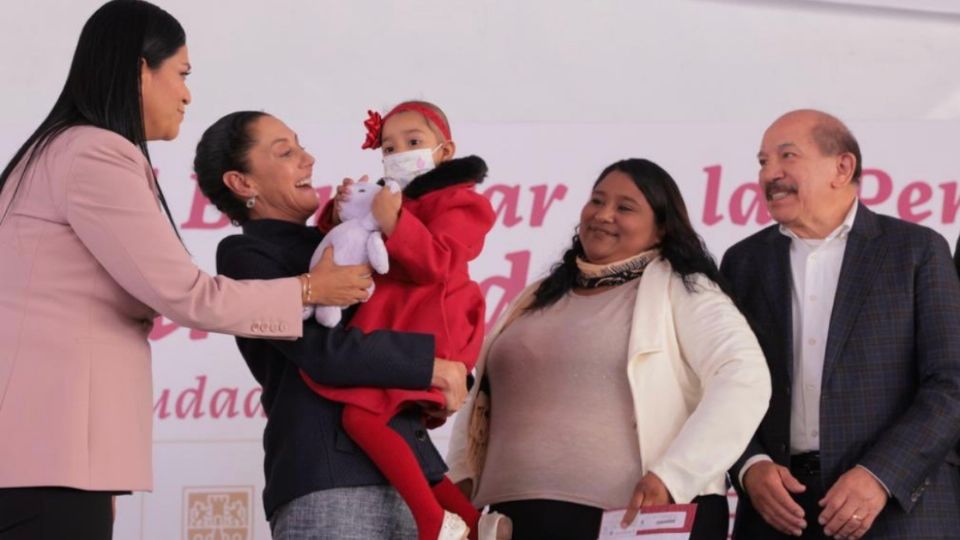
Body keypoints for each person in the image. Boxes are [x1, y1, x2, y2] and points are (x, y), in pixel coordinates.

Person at [0, 2, 371, 538]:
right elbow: (186, 293)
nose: (187, 94)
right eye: (181, 73)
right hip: (46, 458)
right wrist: (312, 288)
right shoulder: (95, 153)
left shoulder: (56, 151)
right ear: (139, 71)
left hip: (48, 459)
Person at [446, 158, 772, 540]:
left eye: (624, 207)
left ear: (661, 228)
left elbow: (743, 376)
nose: (603, 215)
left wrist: (673, 477)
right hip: (510, 521)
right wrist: (460, 479)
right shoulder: (537, 296)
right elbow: (480, 397)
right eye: (597, 201)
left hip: (633, 520)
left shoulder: (684, 289)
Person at [195, 110, 470, 540]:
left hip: (407, 474)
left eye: (301, 145)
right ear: (242, 183)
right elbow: (325, 352)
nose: (308, 159)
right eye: (286, 152)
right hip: (328, 477)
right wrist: (433, 368)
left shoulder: (346, 237)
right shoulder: (246, 255)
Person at [723, 109, 960, 540]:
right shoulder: (743, 262)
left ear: (842, 167)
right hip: (779, 514)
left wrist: (880, 475)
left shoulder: (916, 251)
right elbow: (720, 384)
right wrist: (750, 466)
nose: (769, 174)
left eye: (786, 156)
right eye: (762, 162)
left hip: (897, 511)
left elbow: (951, 383)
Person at [304, 101, 509, 540]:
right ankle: (475, 525)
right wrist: (340, 210)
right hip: (398, 323)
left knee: (361, 419)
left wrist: (394, 220)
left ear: (445, 150)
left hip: (432, 325)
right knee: (397, 432)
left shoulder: (462, 202)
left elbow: (440, 262)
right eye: (389, 147)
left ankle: (432, 521)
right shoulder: (390, 195)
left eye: (413, 142)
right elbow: (348, 239)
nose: (399, 154)